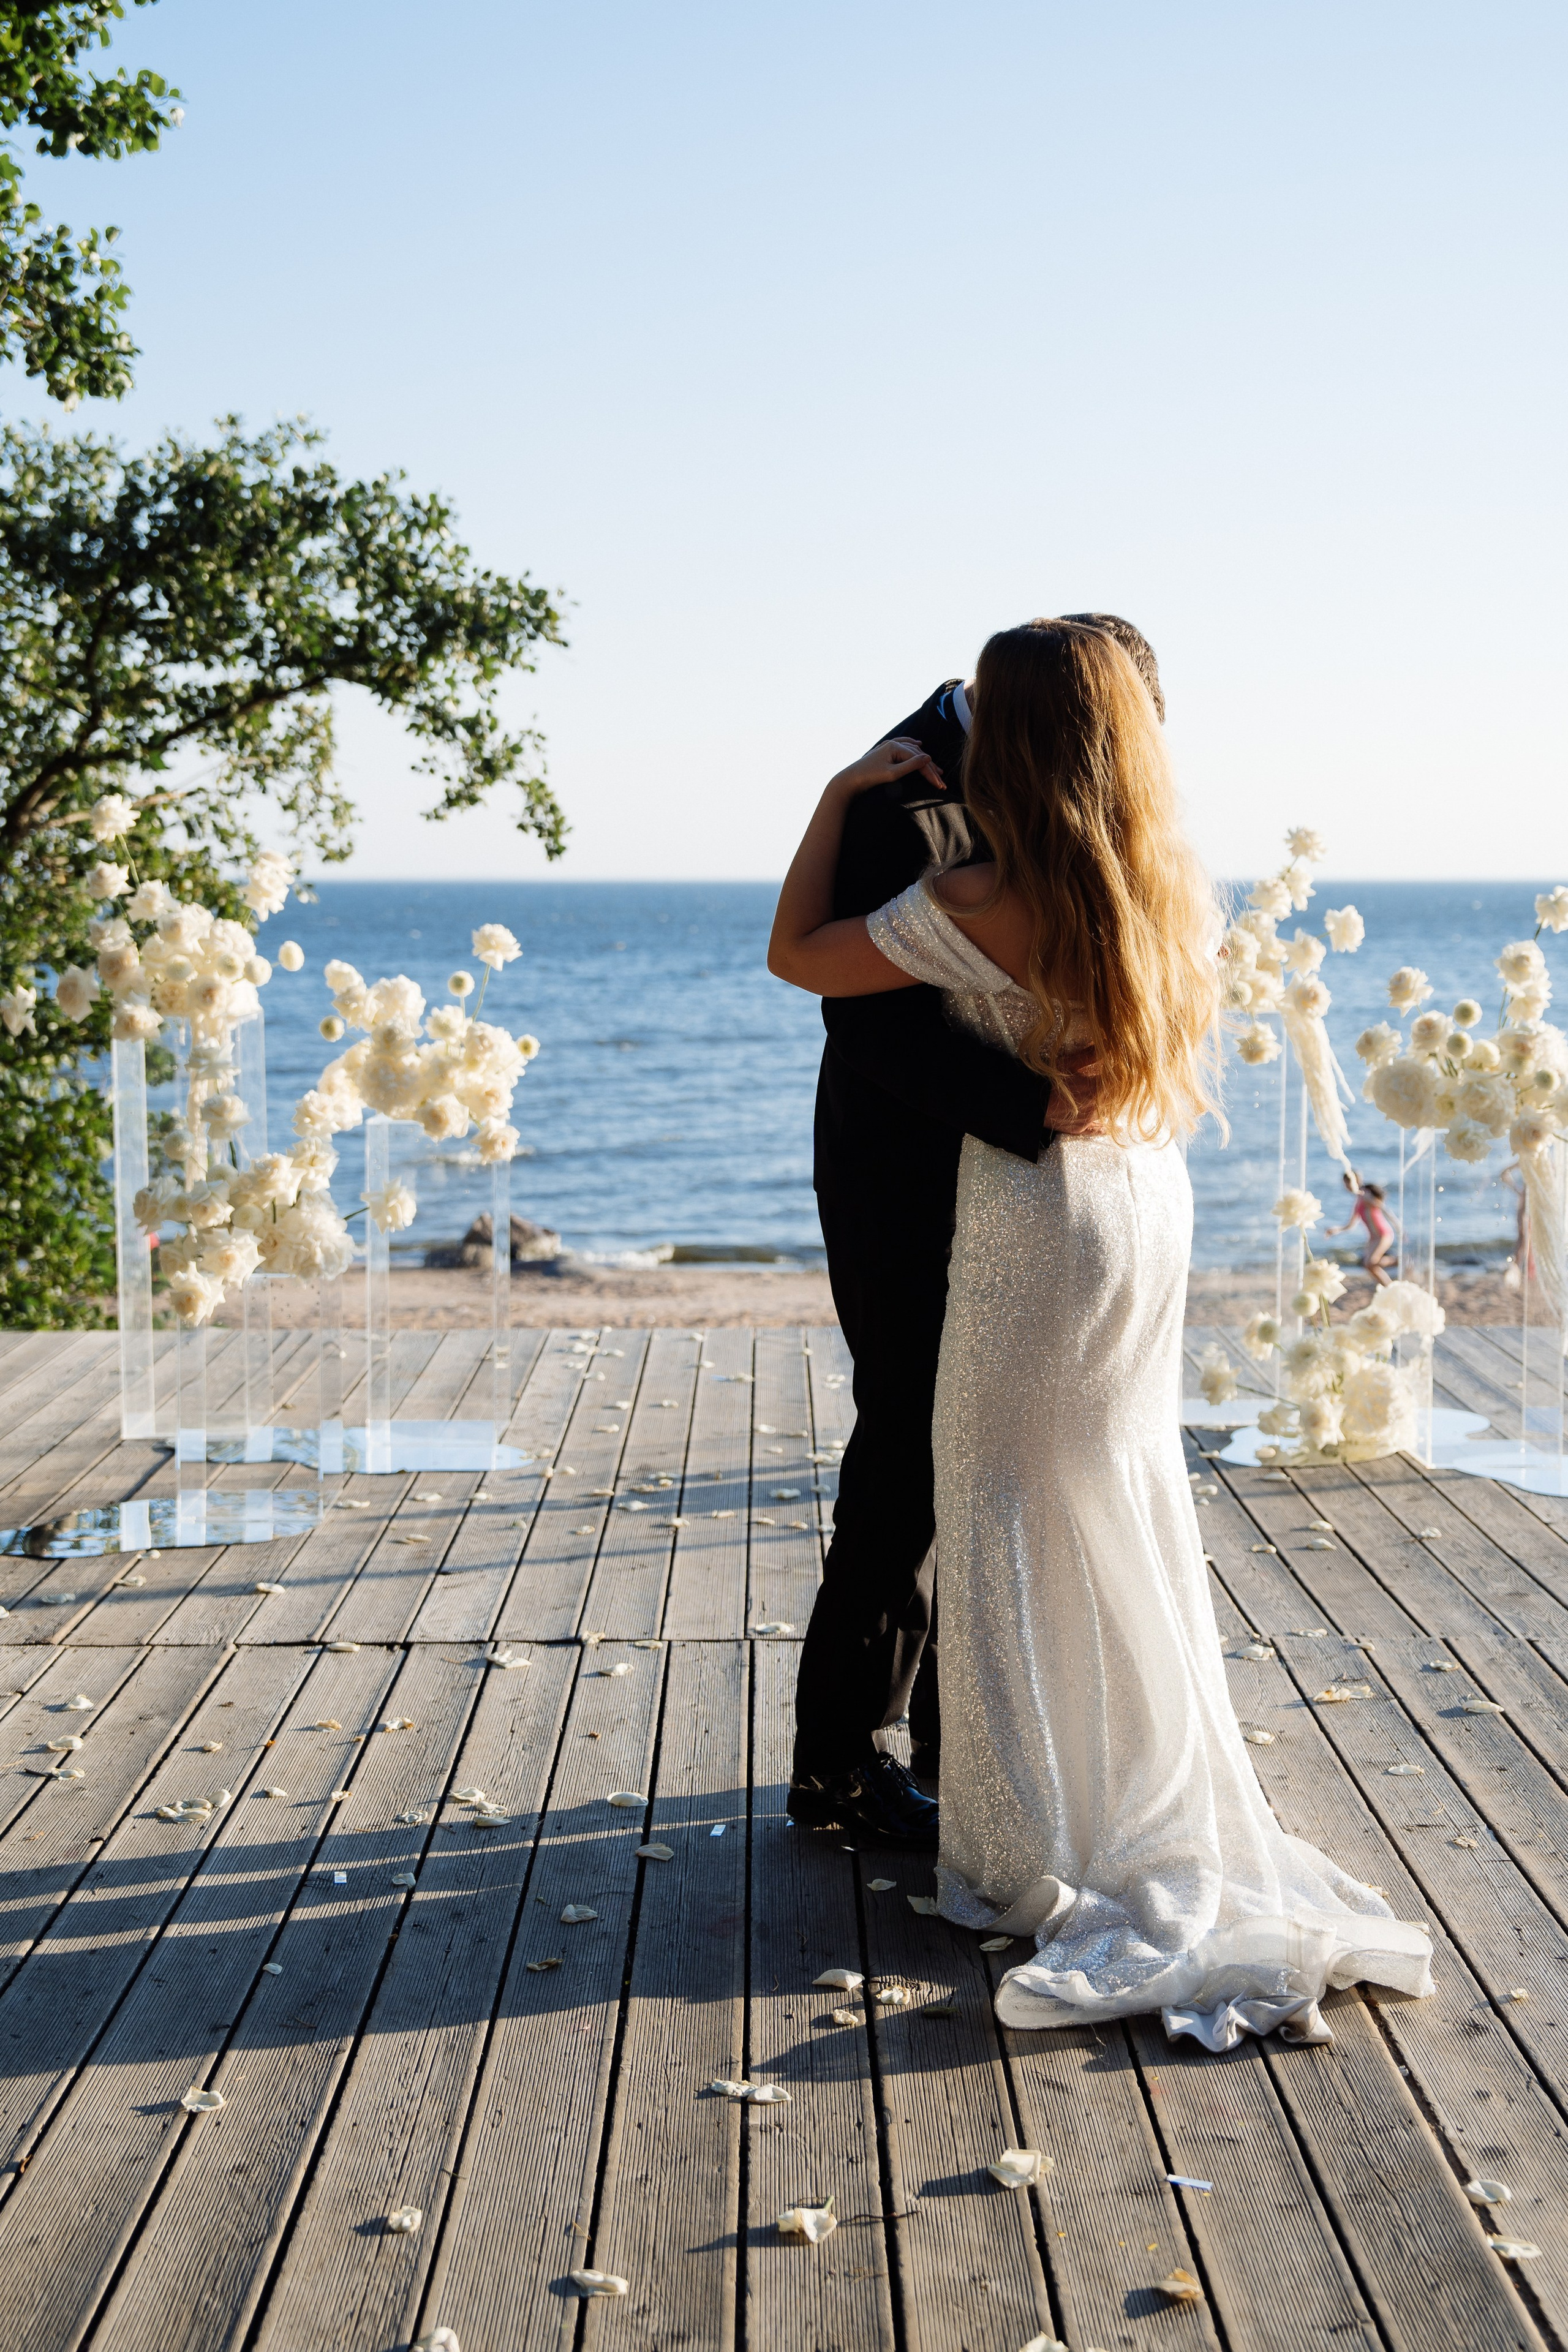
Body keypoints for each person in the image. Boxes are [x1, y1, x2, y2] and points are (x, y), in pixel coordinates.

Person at [769, 618, 1432, 2046]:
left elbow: (803, 962)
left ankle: (1018, 1829)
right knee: (1115, 1497)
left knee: (995, 1500)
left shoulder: (977, 885)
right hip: (1141, 1202)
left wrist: (832, 799)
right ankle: (1101, 1774)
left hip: (1034, 1214)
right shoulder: (1159, 882)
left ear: (1006, 730)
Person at [789, 618, 1150, 1848]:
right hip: (903, 1168)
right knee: (906, 1451)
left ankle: (972, 1751)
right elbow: (857, 1011)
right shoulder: (911, 777)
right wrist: (1024, 1107)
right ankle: (838, 1759)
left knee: (990, 1454)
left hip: (1027, 1187)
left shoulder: (1030, 776)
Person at [1325, 1169, 1395, 1286]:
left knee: (1371, 1262)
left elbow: (1384, 1209)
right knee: (1368, 1265)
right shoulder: (1358, 1200)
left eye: (1347, 1184)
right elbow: (1351, 1225)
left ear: (1354, 1181)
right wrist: (1336, 1230)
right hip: (1373, 1238)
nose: (1346, 1187)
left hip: (1383, 1234)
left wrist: (1399, 1229)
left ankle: (1400, 1260)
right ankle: (1389, 1286)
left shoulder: (1365, 1194)